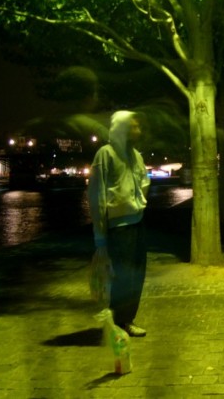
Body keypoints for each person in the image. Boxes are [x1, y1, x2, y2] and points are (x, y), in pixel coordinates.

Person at [87, 110, 150, 337]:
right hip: (118, 227)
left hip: (137, 222)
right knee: (121, 277)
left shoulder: (136, 155)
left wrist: (137, 204)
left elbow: (143, 182)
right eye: (134, 127)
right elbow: (97, 195)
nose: (138, 131)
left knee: (136, 275)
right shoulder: (105, 154)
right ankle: (117, 322)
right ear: (122, 129)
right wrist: (100, 237)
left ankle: (126, 320)